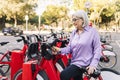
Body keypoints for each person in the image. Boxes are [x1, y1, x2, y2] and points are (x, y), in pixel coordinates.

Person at [52, 10, 101, 80]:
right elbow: (70, 48)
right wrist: (59, 50)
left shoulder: (92, 32)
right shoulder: (74, 32)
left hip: (84, 63)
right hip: (74, 62)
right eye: (72, 20)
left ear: (83, 20)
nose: (73, 22)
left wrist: (93, 65)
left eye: (75, 20)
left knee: (64, 75)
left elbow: (97, 49)